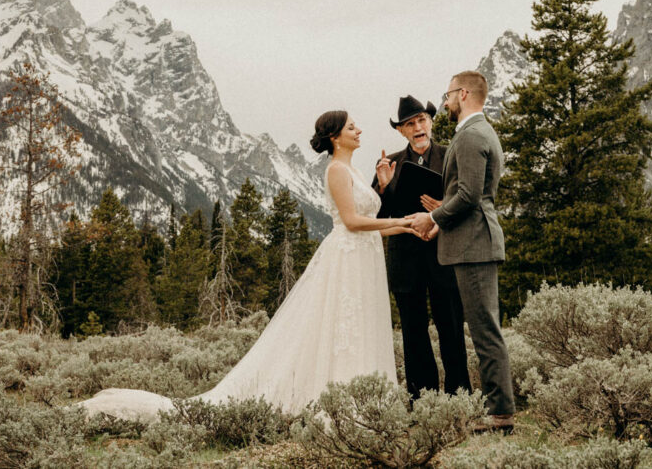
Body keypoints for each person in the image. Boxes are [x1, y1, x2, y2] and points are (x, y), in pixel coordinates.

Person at [79, 110, 416, 422]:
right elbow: (351, 221)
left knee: (361, 322)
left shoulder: (356, 170)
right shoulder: (336, 170)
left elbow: (368, 212)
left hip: (364, 256)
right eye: (351, 127)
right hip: (347, 254)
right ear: (334, 137)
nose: (359, 130)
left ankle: (363, 397)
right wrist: (403, 224)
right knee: (345, 324)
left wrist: (383, 188)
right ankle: (342, 401)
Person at [409, 71, 515, 434]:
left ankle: (500, 413)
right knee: (485, 327)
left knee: (485, 330)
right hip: (470, 240)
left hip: (475, 244)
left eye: (449, 94)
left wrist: (432, 217)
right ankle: (498, 410)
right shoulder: (474, 132)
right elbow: (469, 194)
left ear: (464, 94)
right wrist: (440, 222)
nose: (446, 100)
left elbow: (469, 195)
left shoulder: (471, 136)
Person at [371, 95, 471, 400]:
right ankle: (422, 399)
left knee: (451, 329)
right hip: (405, 260)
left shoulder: (451, 156)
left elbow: (468, 200)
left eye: (422, 120)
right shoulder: (390, 164)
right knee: (414, 335)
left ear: (431, 122)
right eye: (410, 123)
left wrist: (443, 208)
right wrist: (385, 186)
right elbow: (377, 216)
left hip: (444, 256)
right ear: (401, 131)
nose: (418, 127)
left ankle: (459, 398)